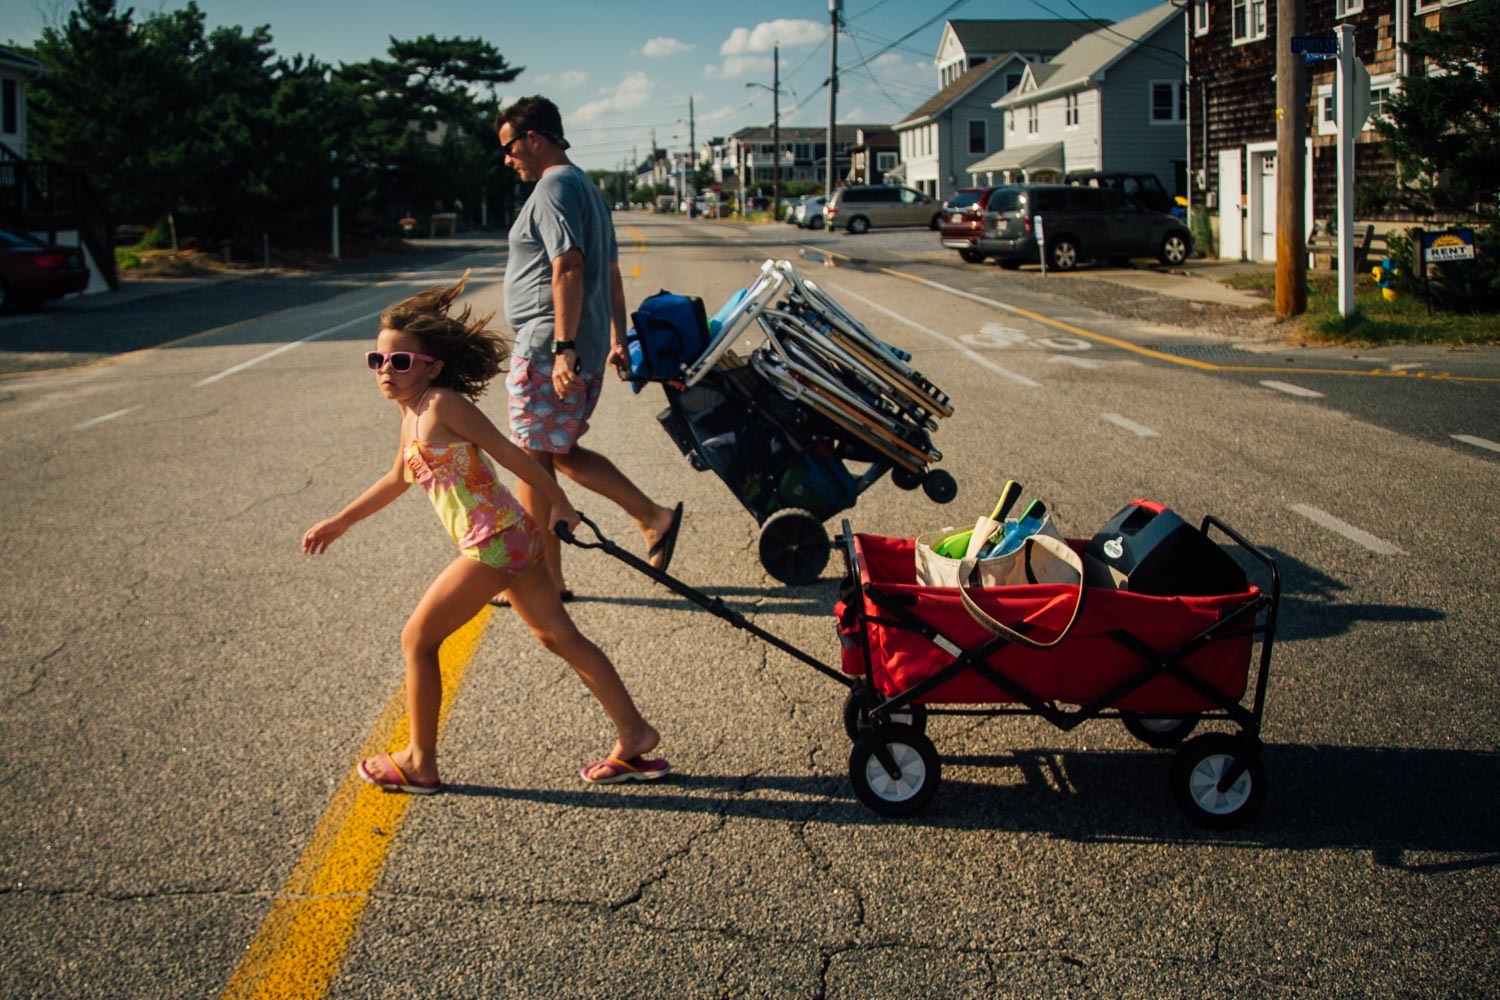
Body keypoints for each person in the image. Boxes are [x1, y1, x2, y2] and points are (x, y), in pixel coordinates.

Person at [301, 274, 670, 790]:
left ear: (433, 365)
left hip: (495, 542)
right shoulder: (412, 415)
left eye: (400, 361)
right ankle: (635, 735)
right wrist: (341, 520)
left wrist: (561, 503)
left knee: (417, 640)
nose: (386, 370)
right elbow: (396, 479)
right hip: (512, 538)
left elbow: (513, 453)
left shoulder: (444, 406)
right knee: (557, 635)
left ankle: (419, 762)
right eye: (377, 360)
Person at [495, 95, 682, 606]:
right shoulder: (588, 189)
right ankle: (650, 519)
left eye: (509, 148)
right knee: (556, 452)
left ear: (534, 138)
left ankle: (541, 585)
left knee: (534, 461)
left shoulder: (554, 186)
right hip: (581, 343)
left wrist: (562, 350)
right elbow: (613, 274)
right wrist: (617, 340)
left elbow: (570, 267)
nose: (507, 159)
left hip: (548, 347)